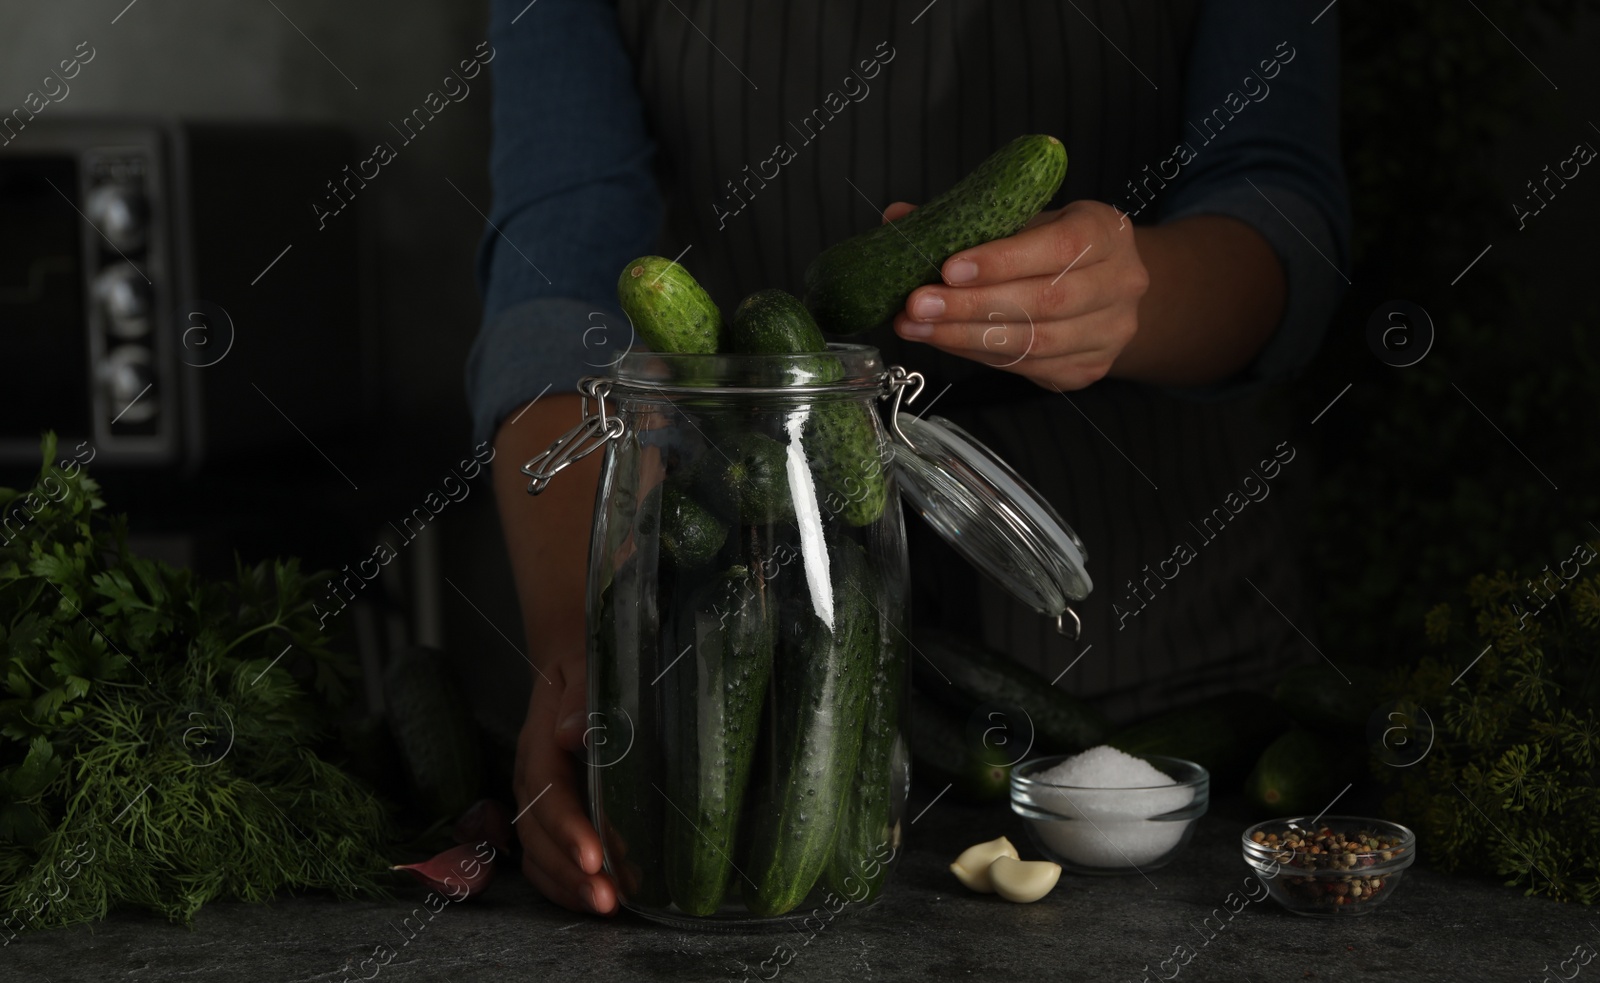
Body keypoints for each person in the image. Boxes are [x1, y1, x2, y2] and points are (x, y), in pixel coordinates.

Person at [466, 0, 1349, 914]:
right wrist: (589, 659)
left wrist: (1132, 298)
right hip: (733, 657)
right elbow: (554, 274)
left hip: (1158, 687)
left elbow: (1281, 207)